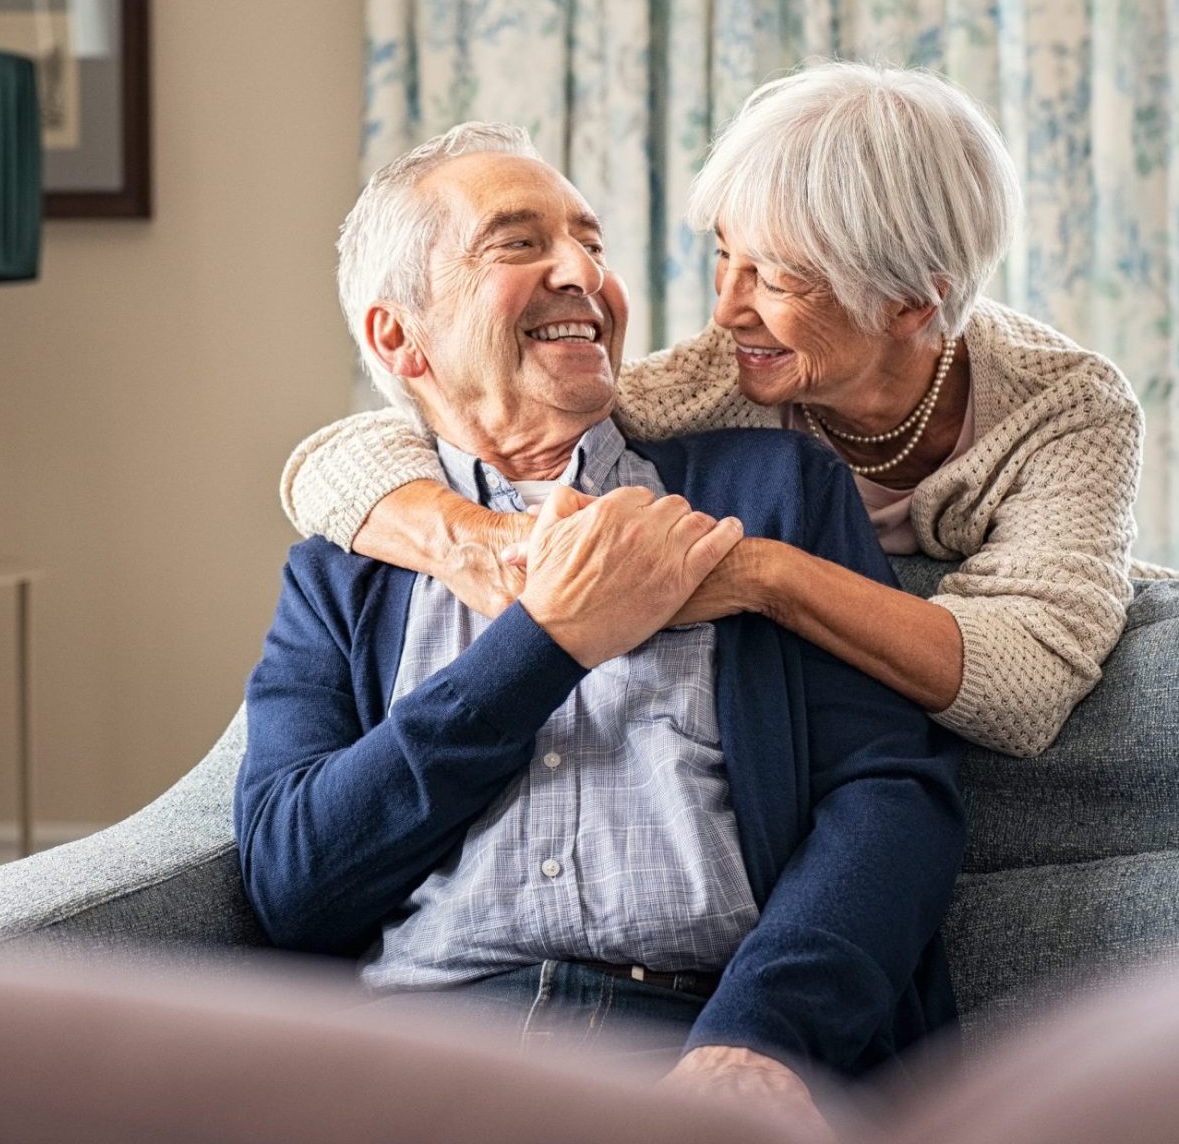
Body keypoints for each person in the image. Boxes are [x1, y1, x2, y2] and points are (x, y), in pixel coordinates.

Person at [236, 124, 964, 1135]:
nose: (583, 273)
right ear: (400, 337)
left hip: (694, 1039)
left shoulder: (768, 494)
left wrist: (760, 1041)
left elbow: (892, 800)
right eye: (518, 244)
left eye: (593, 244)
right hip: (427, 1059)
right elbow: (293, 882)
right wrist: (547, 643)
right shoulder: (343, 569)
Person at [283, 62, 1153, 759]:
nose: (728, 309)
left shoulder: (1065, 410)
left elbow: (1025, 686)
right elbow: (347, 455)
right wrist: (475, 539)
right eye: (723, 256)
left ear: (908, 305)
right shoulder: (715, 381)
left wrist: (758, 576)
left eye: (774, 277)